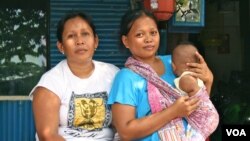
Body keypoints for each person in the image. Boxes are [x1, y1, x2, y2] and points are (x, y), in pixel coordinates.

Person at [107, 8, 215, 141]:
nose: (148, 39)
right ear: (126, 41)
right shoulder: (126, 77)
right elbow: (126, 132)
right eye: (140, 35)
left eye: (153, 33)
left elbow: (200, 103)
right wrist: (173, 112)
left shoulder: (175, 62)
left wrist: (208, 80)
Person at [29, 11, 119, 141]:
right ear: (61, 47)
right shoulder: (51, 81)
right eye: (71, 36)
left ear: (96, 42)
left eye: (85, 34)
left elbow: (121, 125)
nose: (80, 41)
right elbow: (47, 135)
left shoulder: (113, 74)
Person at [171, 41, 219, 139]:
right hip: (208, 117)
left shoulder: (185, 79)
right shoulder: (198, 78)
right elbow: (204, 97)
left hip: (203, 118)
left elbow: (200, 99)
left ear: (173, 66)